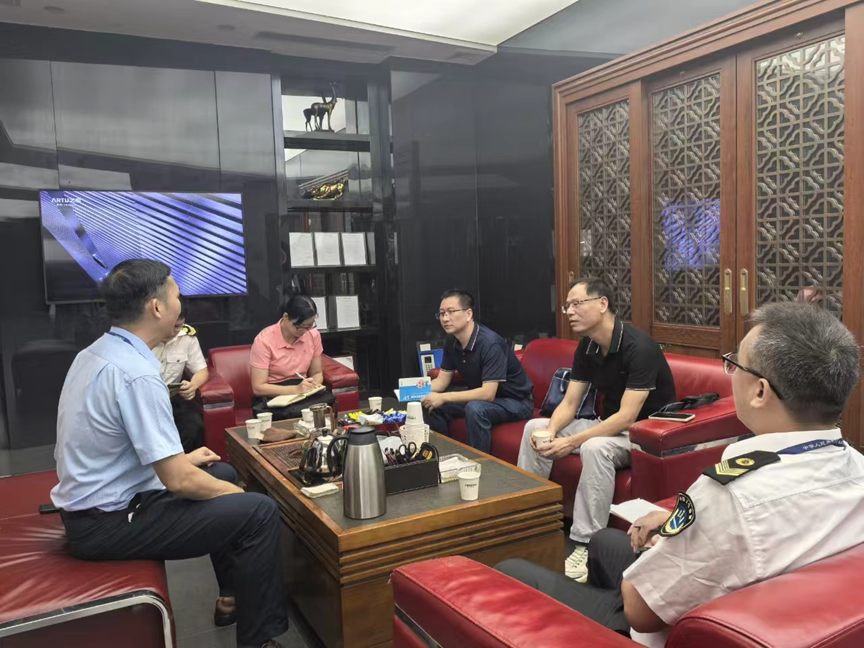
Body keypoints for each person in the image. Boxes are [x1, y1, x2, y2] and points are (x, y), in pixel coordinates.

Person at [498, 302, 864, 647]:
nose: (732, 373)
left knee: (512, 570)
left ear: (759, 390)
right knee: (606, 542)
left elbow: (641, 612)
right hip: (780, 610)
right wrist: (677, 526)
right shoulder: (856, 467)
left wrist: (676, 541)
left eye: (735, 363)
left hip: (680, 628)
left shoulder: (732, 493)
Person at [51, 259, 288, 648]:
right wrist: (236, 497)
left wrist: (196, 468)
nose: (181, 303)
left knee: (222, 472)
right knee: (258, 512)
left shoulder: (96, 353)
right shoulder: (137, 373)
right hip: (107, 524)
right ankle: (259, 641)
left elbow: (120, 450)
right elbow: (178, 481)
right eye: (176, 295)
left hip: (98, 506)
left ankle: (231, 597)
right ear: (157, 307)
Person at [517, 277, 676, 582]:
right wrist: (551, 431)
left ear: (603, 304)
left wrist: (571, 442)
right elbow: (570, 402)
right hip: (608, 425)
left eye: (577, 304)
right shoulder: (588, 346)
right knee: (534, 427)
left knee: (594, 447)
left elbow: (627, 417)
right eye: (567, 306)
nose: (569, 311)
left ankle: (584, 544)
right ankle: (528, 517)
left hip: (644, 435)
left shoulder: (639, 347)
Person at [422, 289, 534, 453]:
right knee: (432, 405)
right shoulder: (452, 341)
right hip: (486, 399)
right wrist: (414, 392)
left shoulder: (490, 343)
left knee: (476, 409)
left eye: (451, 312)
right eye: (442, 313)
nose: (445, 318)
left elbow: (488, 394)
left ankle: (479, 462)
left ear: (468, 314)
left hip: (517, 402)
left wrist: (443, 397)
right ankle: (442, 456)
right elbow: (442, 381)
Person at [249, 293, 336, 421]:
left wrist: (313, 385)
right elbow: (258, 388)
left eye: (309, 326)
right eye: (299, 326)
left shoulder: (313, 335)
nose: (304, 331)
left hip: (302, 390)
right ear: (285, 317)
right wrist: (295, 390)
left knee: (327, 404)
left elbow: (317, 373)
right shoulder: (264, 341)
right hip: (275, 394)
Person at [152, 295, 208, 452]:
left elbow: (202, 370)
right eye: (168, 326)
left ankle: (186, 463)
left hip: (171, 398)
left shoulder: (187, 337)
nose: (172, 332)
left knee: (194, 425)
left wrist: (192, 386)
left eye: (177, 326)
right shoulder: (142, 337)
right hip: (145, 400)